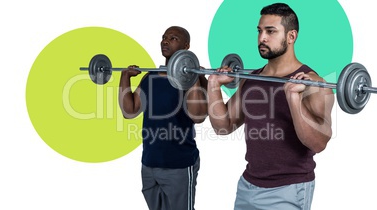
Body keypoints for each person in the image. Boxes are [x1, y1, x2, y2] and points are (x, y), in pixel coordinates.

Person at [207, 3, 334, 210]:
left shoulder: (313, 83)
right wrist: (213, 84)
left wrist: (293, 99)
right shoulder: (252, 79)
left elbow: (318, 143)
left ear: (291, 36)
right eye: (259, 31)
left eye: (270, 31)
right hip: (248, 185)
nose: (262, 38)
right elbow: (223, 126)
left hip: (288, 189)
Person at [118, 26, 208, 210]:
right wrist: (125, 77)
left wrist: (194, 75)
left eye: (173, 38)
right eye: (164, 37)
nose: (165, 41)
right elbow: (130, 111)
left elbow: (198, 116)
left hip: (179, 166)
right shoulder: (149, 77)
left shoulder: (192, 80)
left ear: (186, 46)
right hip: (149, 164)